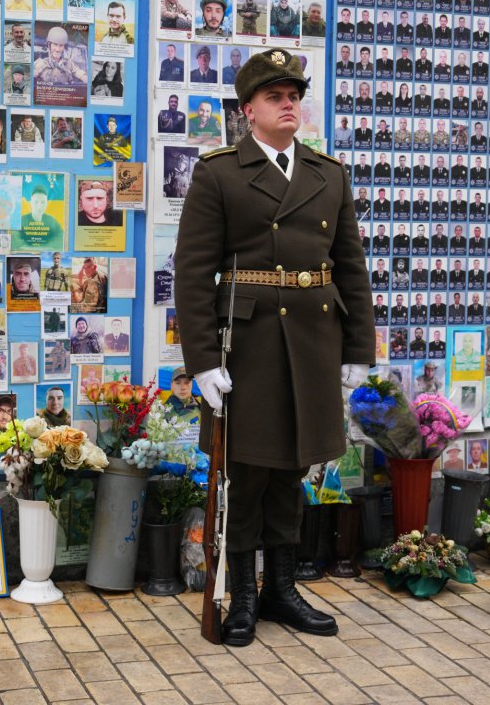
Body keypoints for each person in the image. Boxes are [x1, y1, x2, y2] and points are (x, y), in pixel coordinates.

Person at [175, 49, 371, 645]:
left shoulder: (327, 173)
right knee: (247, 472)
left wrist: (358, 346)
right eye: (275, 98)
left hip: (313, 341)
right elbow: (192, 273)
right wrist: (204, 361)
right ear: (248, 111)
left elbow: (350, 267)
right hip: (251, 344)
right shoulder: (218, 173)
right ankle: (243, 595)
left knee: (294, 467)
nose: (289, 105)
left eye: (294, 96)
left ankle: (283, 590)